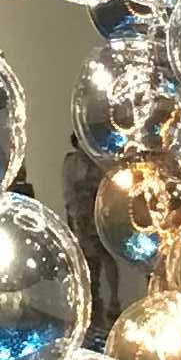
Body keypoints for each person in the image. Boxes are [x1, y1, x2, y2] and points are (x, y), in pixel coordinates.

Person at [62, 131, 119, 331]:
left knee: (105, 254)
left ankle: (113, 299)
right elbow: (69, 193)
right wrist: (74, 217)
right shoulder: (71, 163)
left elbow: (108, 188)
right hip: (82, 216)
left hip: (99, 214)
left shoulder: (100, 162)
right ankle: (92, 298)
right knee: (87, 258)